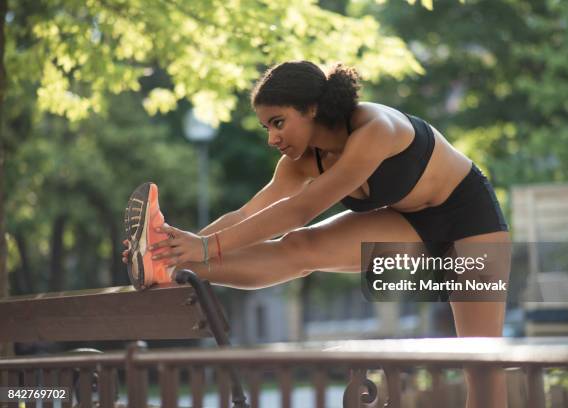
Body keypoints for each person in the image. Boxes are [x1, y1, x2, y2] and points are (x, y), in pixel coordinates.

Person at [123, 60, 510, 408]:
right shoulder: (300, 161)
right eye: (266, 127)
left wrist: (206, 245)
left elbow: (302, 209)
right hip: (408, 221)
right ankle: (167, 269)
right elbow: (248, 214)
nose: (272, 138)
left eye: (278, 122)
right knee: (301, 248)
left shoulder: (375, 129)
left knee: (481, 366)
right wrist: (178, 248)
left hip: (469, 219)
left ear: (311, 109)